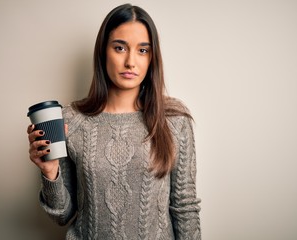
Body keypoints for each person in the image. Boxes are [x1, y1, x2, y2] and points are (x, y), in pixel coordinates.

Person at [27, 3, 201, 239]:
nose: (131, 61)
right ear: (103, 52)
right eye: (120, 48)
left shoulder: (175, 120)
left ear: (152, 58)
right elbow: (62, 215)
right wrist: (50, 172)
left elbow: (185, 207)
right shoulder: (71, 120)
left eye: (142, 50)